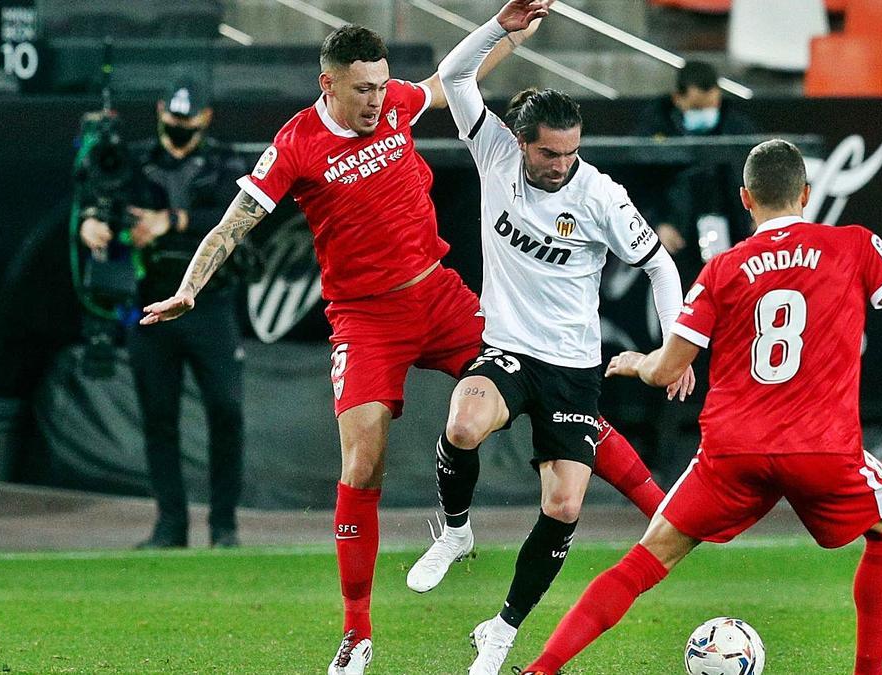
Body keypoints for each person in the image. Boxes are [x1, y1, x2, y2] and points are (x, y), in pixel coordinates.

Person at [139, 16, 667, 675]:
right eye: (362, 89)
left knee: (547, 377)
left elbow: (452, 82)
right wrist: (191, 287)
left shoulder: (395, 105)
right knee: (362, 459)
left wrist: (511, 32)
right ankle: (357, 633)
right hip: (364, 318)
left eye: (382, 86)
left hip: (438, 294)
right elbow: (232, 224)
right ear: (326, 84)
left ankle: (662, 511)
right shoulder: (297, 143)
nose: (375, 101)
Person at [521, 139, 882, 675]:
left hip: (733, 451)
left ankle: (542, 668)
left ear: (746, 199)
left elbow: (668, 370)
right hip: (823, 451)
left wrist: (637, 363)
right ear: (806, 194)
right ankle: (869, 672)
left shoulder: (722, 268)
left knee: (647, 559)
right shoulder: (853, 245)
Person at [405, 3, 692, 673]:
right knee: (465, 420)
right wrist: (501, 28)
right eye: (549, 152)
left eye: (570, 151)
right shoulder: (495, 149)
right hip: (507, 345)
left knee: (563, 504)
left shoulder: (599, 194)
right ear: (522, 140)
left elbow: (658, 264)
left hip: (571, 365)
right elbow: (454, 73)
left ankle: (501, 628)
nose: (561, 164)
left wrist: (677, 343)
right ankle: (454, 532)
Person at [80, 78, 249, 549]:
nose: (178, 128)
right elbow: (96, 202)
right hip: (149, 300)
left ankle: (223, 525)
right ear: (159, 112)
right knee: (158, 415)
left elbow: (240, 220)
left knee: (226, 409)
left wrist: (169, 222)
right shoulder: (131, 160)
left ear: (206, 118)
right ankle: (170, 525)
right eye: (171, 120)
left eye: (187, 120)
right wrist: (92, 224)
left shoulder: (225, 161)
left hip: (210, 303)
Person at [632, 60, 757, 287]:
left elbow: (755, 173)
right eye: (697, 108)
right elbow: (639, 183)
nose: (707, 114)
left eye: (712, 106)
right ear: (678, 99)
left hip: (730, 231)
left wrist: (755, 215)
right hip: (676, 236)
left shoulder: (737, 126)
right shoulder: (653, 127)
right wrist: (656, 223)